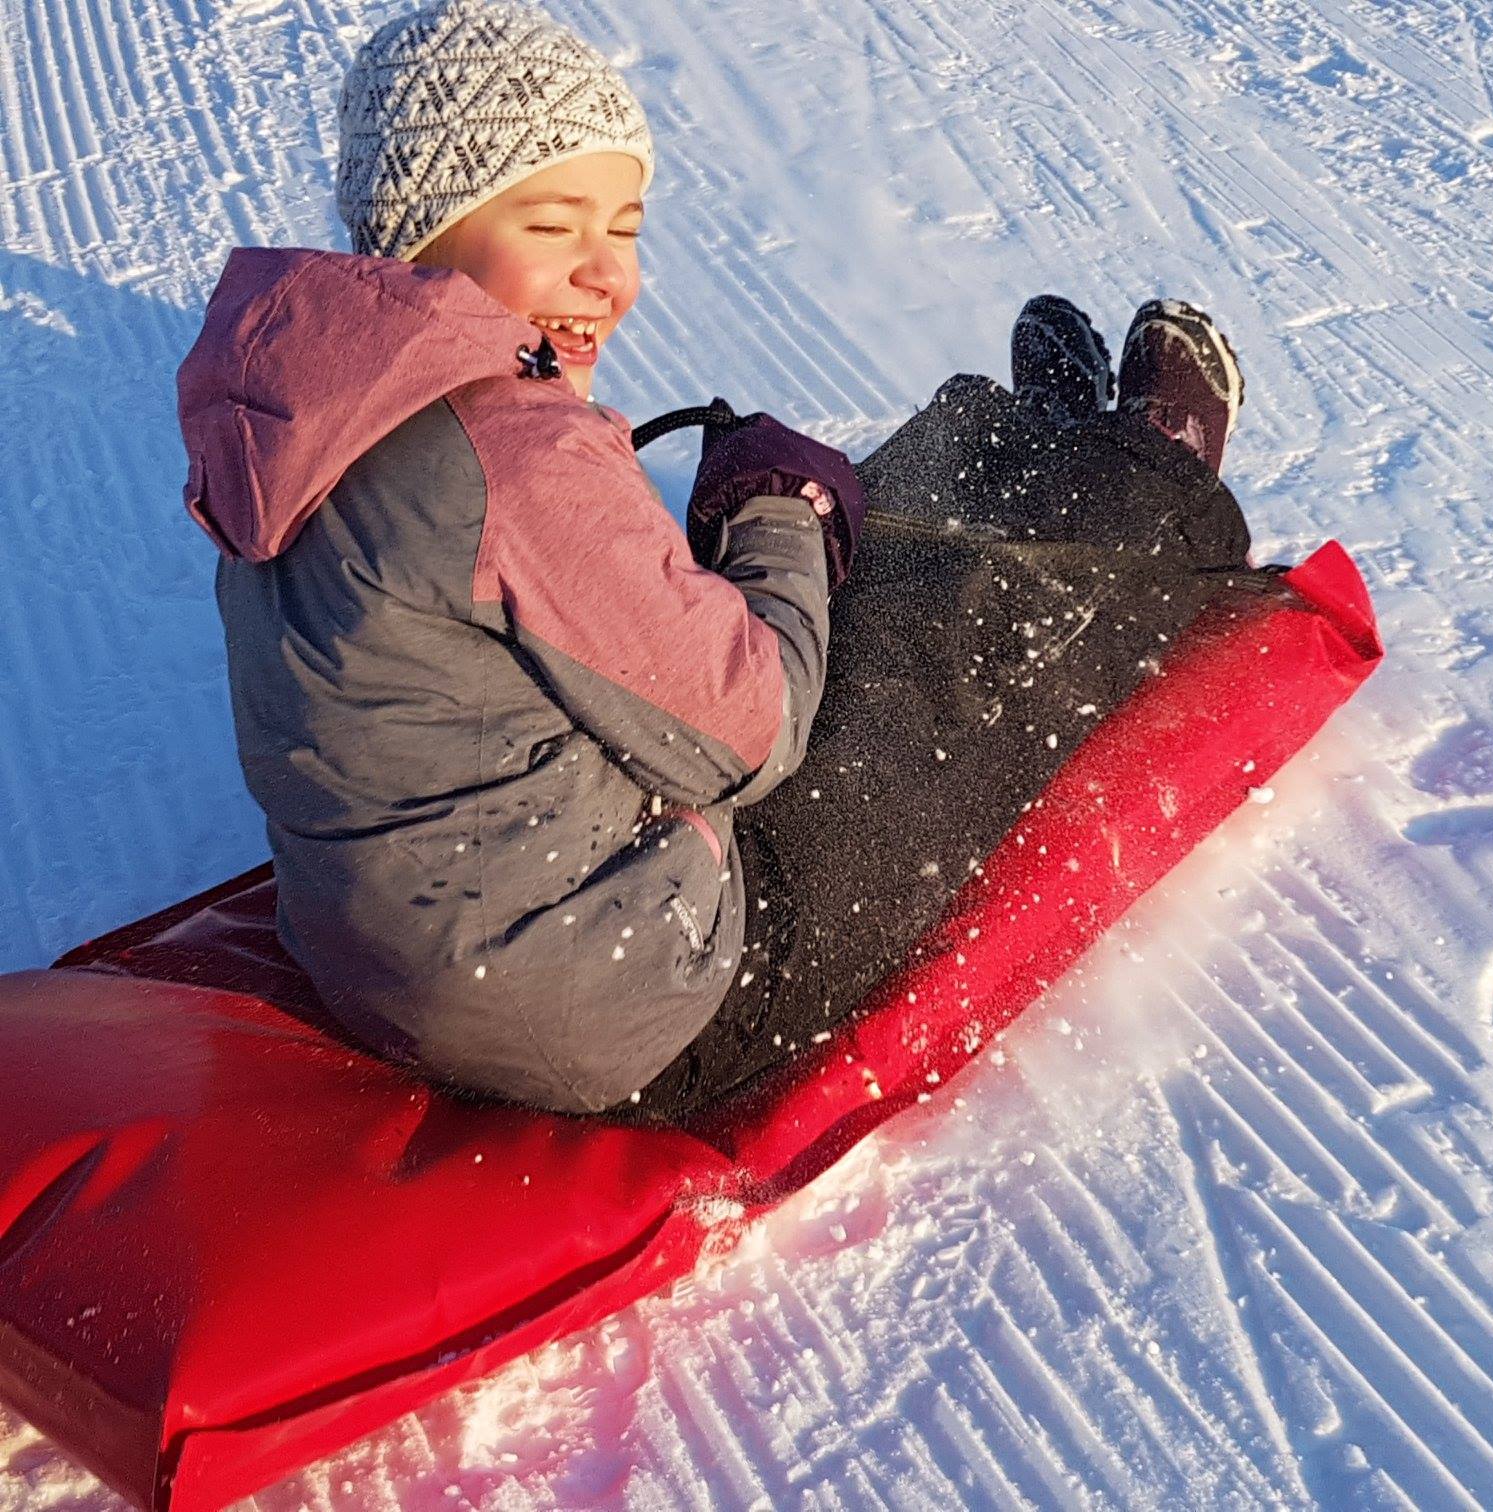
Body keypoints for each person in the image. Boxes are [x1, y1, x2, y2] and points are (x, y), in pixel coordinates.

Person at [178, 0, 1257, 1121]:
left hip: (397, 970)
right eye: (555, 228)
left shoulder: (305, 416)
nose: (611, 277)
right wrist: (777, 506)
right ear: (420, 234)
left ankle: (1030, 454)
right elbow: (757, 727)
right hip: (629, 995)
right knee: (902, 668)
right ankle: (1151, 476)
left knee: (815, 559)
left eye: (626, 227)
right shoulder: (512, 453)